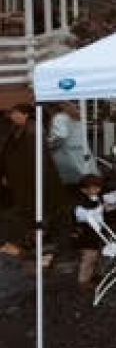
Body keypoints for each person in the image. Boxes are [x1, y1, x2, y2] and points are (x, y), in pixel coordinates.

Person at [1, 104, 65, 264]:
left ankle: (39, 243)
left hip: (33, 180)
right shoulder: (18, 130)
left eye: (15, 114)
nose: (12, 117)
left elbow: (35, 159)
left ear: (25, 114)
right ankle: (34, 241)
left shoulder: (32, 131)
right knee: (29, 210)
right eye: (12, 114)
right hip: (23, 179)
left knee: (37, 210)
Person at [71, 172, 116, 296]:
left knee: (99, 255)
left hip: (99, 233)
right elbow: (85, 216)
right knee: (89, 259)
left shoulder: (98, 198)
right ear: (84, 190)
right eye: (93, 188)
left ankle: (96, 276)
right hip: (86, 236)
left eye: (98, 187)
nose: (97, 190)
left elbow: (105, 207)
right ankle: (83, 281)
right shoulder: (81, 205)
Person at [47, 102, 98, 186]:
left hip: (67, 155)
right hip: (82, 152)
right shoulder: (78, 117)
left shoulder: (59, 117)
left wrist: (49, 144)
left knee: (70, 186)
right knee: (87, 181)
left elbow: (61, 135)